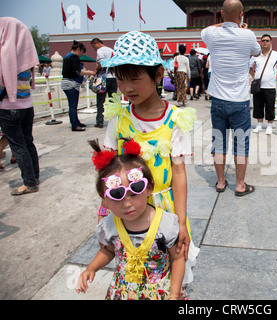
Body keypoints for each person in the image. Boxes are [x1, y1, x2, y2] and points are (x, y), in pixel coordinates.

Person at [100, 31, 199, 285]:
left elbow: (178, 173)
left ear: (157, 74)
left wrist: (182, 222)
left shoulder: (174, 120)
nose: (127, 88)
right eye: (121, 80)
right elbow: (108, 171)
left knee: (171, 265)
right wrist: (105, 209)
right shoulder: (119, 120)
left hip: (164, 208)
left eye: (134, 79)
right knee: (135, 268)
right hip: (128, 206)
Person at [76, 139, 187, 300]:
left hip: (161, 293)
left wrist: (174, 295)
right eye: (116, 195)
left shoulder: (166, 224)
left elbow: (177, 258)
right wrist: (91, 268)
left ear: (149, 188)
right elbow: (108, 250)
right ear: (104, 198)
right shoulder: (109, 225)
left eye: (134, 191)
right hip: (123, 293)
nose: (127, 203)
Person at [201, 0, 261, 196]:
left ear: (220, 13)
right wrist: (240, 27)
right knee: (241, 143)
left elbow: (207, 29)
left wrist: (225, 22)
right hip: (240, 101)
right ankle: (240, 185)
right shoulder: (248, 35)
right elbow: (257, 52)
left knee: (218, 142)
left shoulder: (211, 34)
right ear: (242, 14)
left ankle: (220, 182)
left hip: (218, 100)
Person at [0, 17, 40, 195]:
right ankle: (35, 176)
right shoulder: (26, 57)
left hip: (9, 107)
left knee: (18, 146)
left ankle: (29, 182)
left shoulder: (5, 55)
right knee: (28, 141)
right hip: (27, 106)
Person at [250, 34, 277, 135]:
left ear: (271, 42)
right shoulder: (256, 55)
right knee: (258, 106)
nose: (265, 43)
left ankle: (269, 126)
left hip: (270, 86)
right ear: (260, 43)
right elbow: (249, 66)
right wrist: (253, 75)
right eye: (263, 41)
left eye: (267, 41)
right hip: (258, 86)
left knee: (270, 107)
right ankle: (259, 125)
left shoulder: (276, 55)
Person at [61, 40, 96, 132]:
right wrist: (90, 72)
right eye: (81, 52)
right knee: (73, 106)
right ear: (78, 49)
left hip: (66, 83)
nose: (81, 55)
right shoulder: (74, 57)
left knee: (73, 105)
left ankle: (76, 121)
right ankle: (75, 125)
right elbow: (79, 72)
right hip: (71, 84)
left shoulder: (67, 57)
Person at [90, 38, 118, 129]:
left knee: (100, 101)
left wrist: (96, 70)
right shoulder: (111, 50)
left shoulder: (100, 51)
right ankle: (114, 121)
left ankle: (100, 122)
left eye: (94, 47)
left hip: (103, 78)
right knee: (112, 100)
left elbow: (102, 63)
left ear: (97, 44)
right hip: (113, 77)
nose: (94, 49)